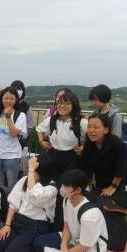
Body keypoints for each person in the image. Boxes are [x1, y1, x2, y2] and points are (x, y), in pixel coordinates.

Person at [32, 169, 109, 252]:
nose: (62, 188)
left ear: (78, 190)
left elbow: (85, 246)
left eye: (66, 186)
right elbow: (67, 226)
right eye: (63, 184)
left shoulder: (90, 215)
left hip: (88, 250)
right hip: (74, 239)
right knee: (38, 243)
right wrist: (63, 246)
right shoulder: (67, 200)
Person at [0, 155, 57, 252]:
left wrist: (31, 169)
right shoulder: (24, 180)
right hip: (19, 221)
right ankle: (19, 244)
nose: (30, 173)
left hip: (36, 226)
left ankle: (34, 250)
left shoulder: (51, 188)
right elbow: (13, 203)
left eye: (33, 171)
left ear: (43, 172)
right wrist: (7, 225)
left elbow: (35, 194)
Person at [36, 90, 86, 230]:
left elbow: (93, 138)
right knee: (53, 190)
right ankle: (53, 222)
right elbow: (39, 129)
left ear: (73, 105)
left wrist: (83, 148)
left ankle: (67, 225)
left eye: (66, 103)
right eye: (59, 103)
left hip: (72, 159)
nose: (62, 106)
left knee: (67, 192)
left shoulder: (81, 122)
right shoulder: (52, 120)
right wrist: (41, 141)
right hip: (54, 157)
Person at [82, 113, 127, 212]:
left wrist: (113, 187)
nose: (91, 130)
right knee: (93, 205)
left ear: (106, 130)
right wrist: (88, 182)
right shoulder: (89, 144)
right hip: (100, 180)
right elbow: (86, 166)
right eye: (89, 127)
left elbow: (121, 168)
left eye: (96, 127)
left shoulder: (117, 144)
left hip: (118, 181)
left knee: (111, 209)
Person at [0, 87, 27, 194]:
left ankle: (10, 203)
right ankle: (1, 202)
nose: (8, 101)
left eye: (11, 98)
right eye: (5, 98)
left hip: (12, 156)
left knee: (12, 185)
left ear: (16, 100)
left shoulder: (20, 115)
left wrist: (8, 117)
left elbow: (14, 134)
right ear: (1, 99)